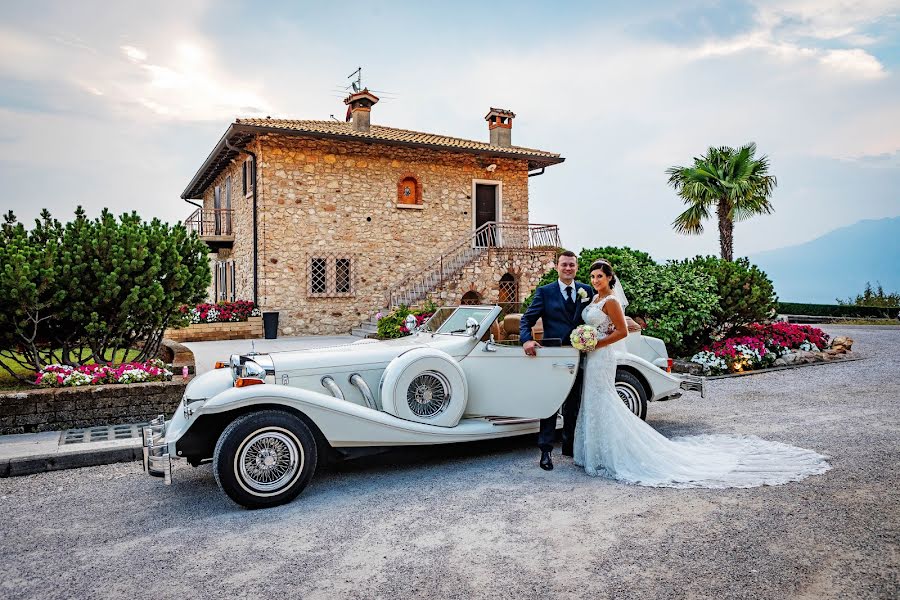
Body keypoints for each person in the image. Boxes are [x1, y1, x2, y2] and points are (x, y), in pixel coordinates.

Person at [574, 259, 831, 487]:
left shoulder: (611, 301)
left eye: (600, 276)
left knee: (605, 400)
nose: (596, 280)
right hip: (591, 356)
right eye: (593, 276)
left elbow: (622, 332)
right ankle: (593, 454)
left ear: (610, 278)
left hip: (603, 355)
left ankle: (613, 455)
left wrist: (597, 343)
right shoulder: (594, 299)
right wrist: (585, 340)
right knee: (594, 401)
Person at [520, 250, 595, 471]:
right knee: (551, 405)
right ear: (557, 267)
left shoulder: (587, 291)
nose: (568, 268)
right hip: (552, 356)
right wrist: (527, 341)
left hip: (579, 356)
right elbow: (527, 319)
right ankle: (545, 452)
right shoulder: (545, 292)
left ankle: (570, 446)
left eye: (572, 265)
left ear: (577, 267)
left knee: (574, 404)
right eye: (564, 264)